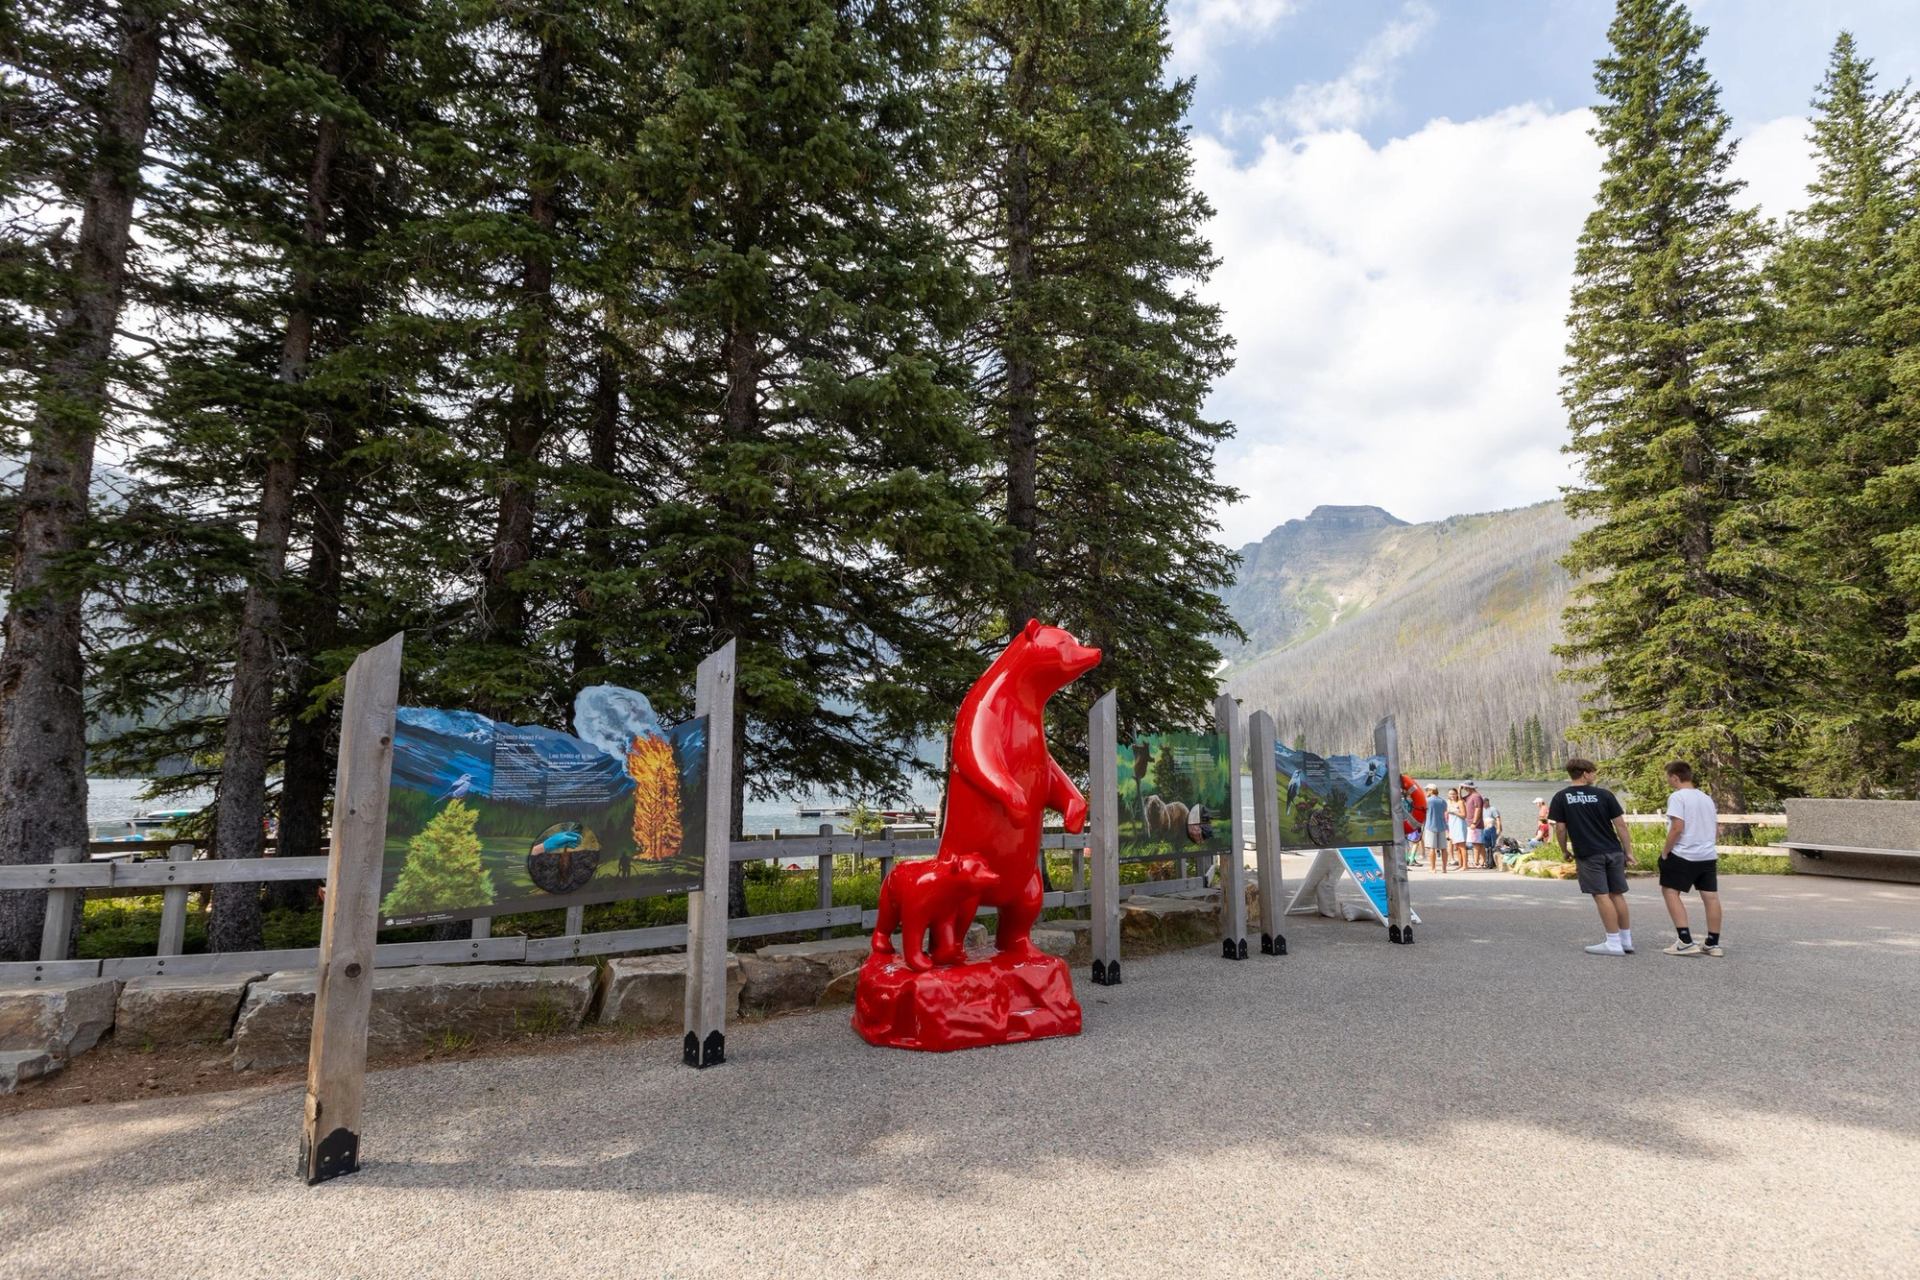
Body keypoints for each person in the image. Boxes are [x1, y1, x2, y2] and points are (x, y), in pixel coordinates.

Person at [1548, 757, 1635, 956]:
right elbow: (1620, 824)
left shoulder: (1561, 797)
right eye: (1593, 772)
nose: (1595, 775)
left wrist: (1564, 850)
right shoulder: (1604, 795)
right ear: (1585, 773)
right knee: (1617, 894)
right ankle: (1626, 940)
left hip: (1588, 853)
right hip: (1612, 850)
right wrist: (1628, 851)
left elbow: (1560, 829)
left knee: (1601, 895)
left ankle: (1613, 942)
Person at [1658, 761, 1724, 956]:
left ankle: (1685, 940)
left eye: (1668, 777)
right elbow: (1716, 827)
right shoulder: (1706, 797)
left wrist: (1665, 851)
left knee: (1670, 892)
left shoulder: (1678, 797)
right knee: (1710, 896)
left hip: (1684, 853)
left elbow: (1678, 827)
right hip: (1707, 854)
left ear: (1675, 777)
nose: (1668, 781)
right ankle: (1713, 943)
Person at [1461, 782, 1486, 868]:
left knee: (1476, 843)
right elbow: (1459, 799)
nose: (1464, 789)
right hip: (1470, 822)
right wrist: (1459, 789)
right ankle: (1484, 861)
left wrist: (1474, 822)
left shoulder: (1476, 796)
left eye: (1465, 787)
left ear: (1469, 787)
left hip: (1475, 823)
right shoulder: (1469, 796)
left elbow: (1478, 809)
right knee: (1479, 843)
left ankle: (1476, 862)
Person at [1421, 784, 1445, 869]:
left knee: (1432, 848)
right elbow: (1444, 812)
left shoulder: (1427, 801)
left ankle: (1433, 868)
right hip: (1441, 826)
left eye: (1427, 790)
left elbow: (1422, 811)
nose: (1426, 792)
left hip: (1430, 826)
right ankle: (1444, 868)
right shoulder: (1442, 801)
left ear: (1431, 791)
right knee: (1443, 848)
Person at [1445, 786, 1467, 871]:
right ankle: (1460, 865)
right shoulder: (1448, 802)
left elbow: (1464, 816)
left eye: (1454, 794)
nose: (1452, 795)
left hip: (1460, 825)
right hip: (1452, 825)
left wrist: (1454, 812)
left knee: (1462, 846)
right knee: (1457, 846)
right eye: (1450, 794)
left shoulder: (1460, 802)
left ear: (1457, 794)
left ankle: (1465, 865)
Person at [1480, 799, 1503, 869]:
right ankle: (1487, 862)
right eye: (1482, 802)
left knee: (1492, 846)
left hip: (1492, 829)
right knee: (1486, 846)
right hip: (1485, 829)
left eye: (1484, 802)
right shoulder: (1482, 809)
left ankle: (1492, 862)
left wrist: (1499, 829)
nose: (1483, 803)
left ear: (1488, 802)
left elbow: (1498, 819)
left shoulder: (1493, 809)